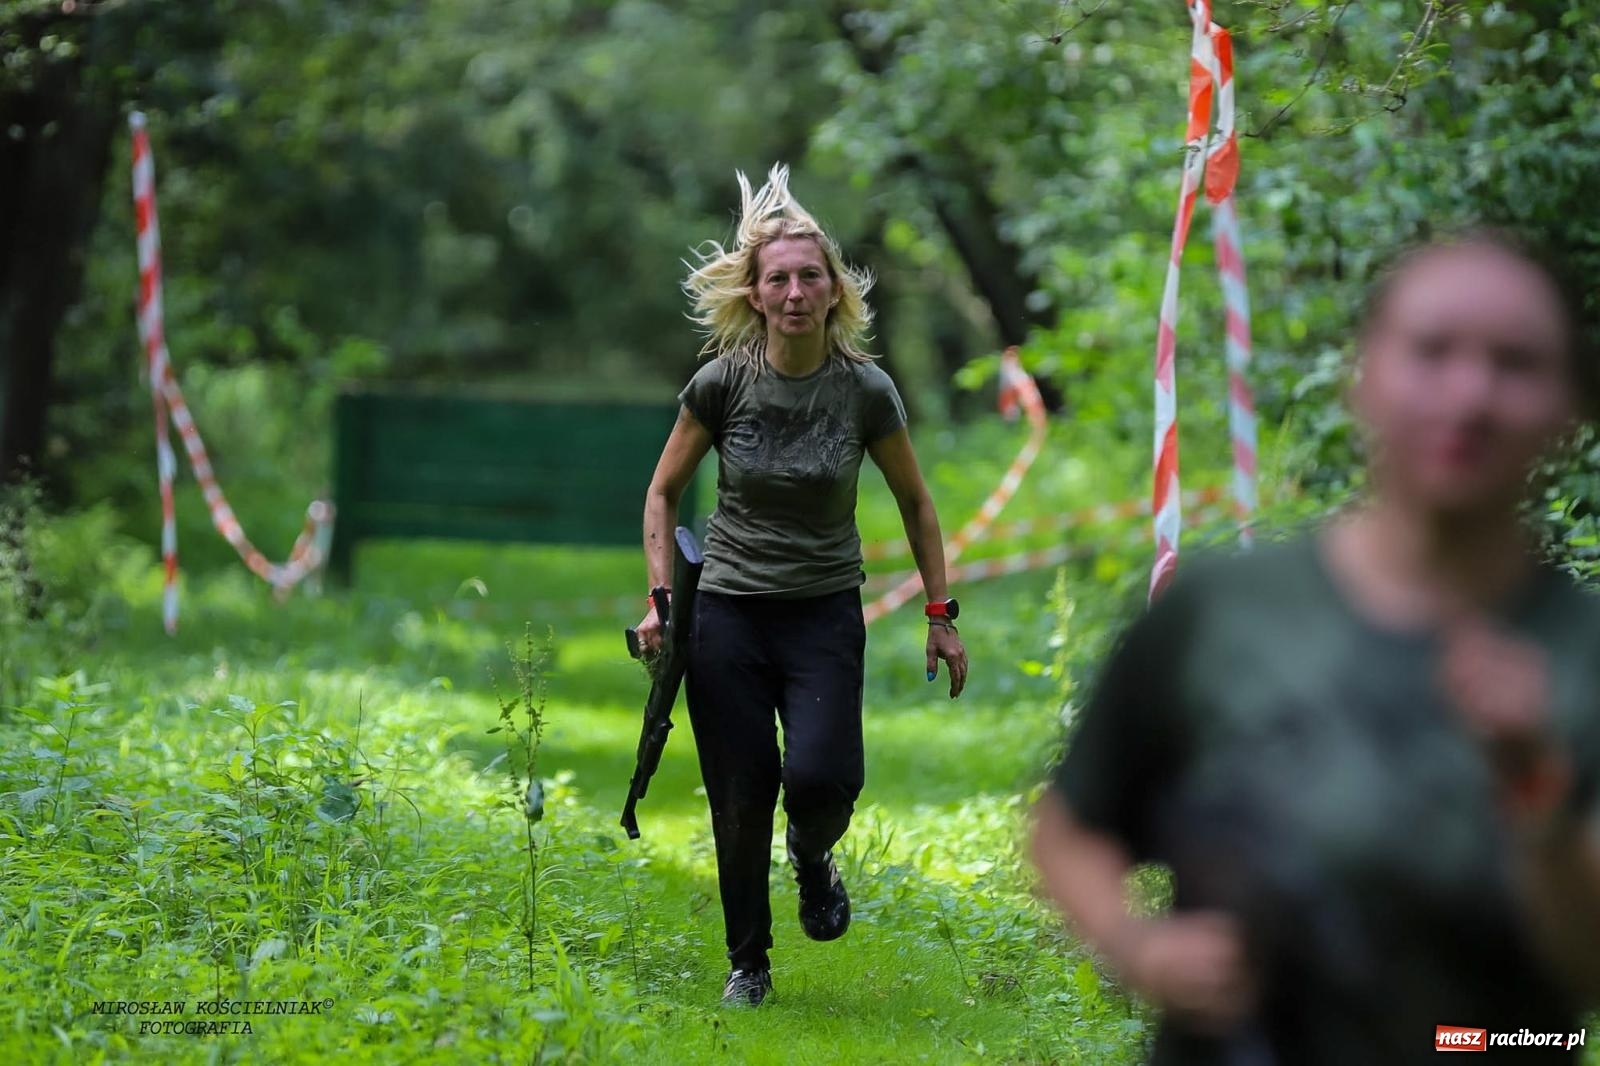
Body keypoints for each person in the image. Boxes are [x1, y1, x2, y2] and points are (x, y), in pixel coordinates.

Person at [1031, 229, 1600, 1064]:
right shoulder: (1222, 611)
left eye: (1516, 363)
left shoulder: (1581, 653)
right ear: (1361, 378)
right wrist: (1138, 946)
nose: (1471, 394)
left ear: (1570, 409)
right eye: (1432, 351)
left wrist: (1538, 792)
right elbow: (1070, 826)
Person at [637, 164, 969, 1006]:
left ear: (834, 293)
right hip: (729, 618)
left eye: (809, 277)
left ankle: (814, 853)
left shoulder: (865, 391)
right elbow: (662, 490)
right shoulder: (721, 384)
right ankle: (749, 963)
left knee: (823, 779)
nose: (793, 291)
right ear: (753, 292)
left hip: (823, 612)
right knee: (740, 797)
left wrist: (940, 613)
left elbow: (917, 503)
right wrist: (661, 600)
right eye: (777, 278)